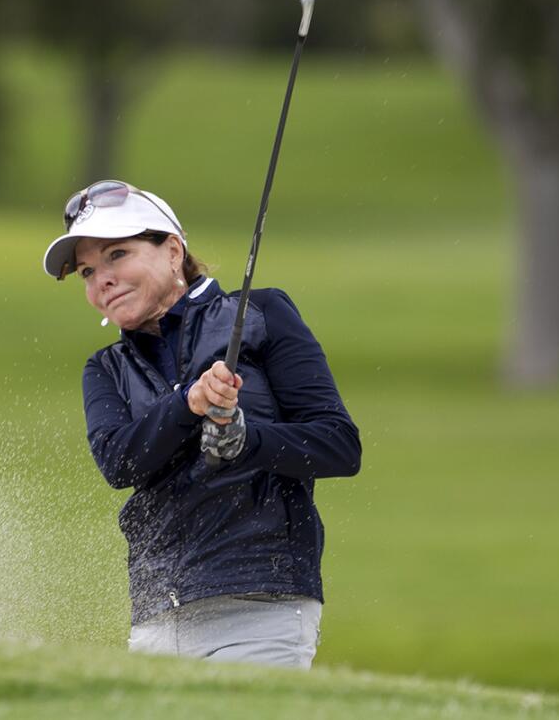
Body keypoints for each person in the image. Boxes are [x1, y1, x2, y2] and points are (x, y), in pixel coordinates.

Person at [41, 180, 362, 670]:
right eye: (88, 271)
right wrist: (189, 404)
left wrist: (246, 439)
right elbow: (119, 462)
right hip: (157, 617)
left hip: (261, 600)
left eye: (117, 255)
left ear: (172, 251)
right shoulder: (105, 369)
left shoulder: (262, 314)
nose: (100, 279)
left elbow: (338, 445)